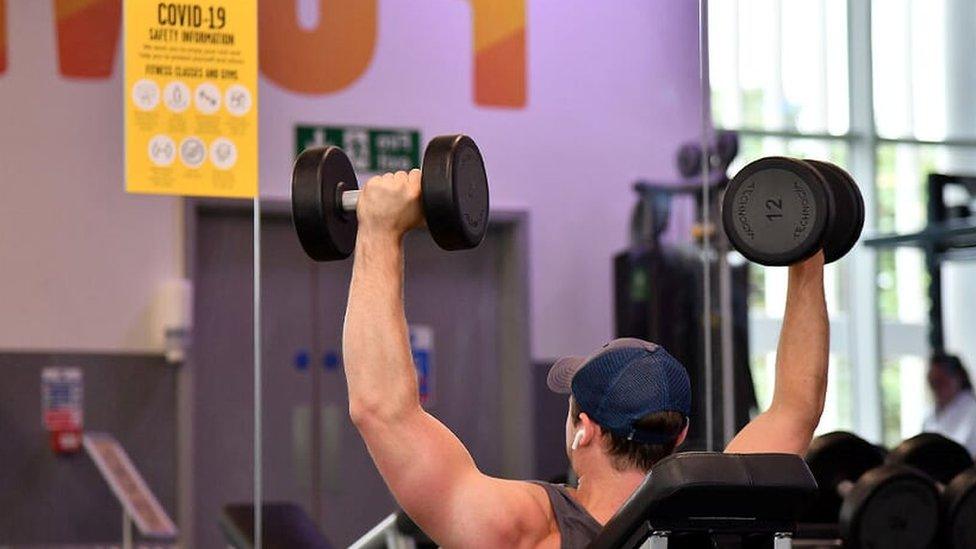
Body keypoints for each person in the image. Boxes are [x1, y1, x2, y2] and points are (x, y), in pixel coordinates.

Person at [341, 170, 830, 548]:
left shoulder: (532, 529)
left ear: (585, 429)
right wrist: (805, 250)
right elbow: (794, 407)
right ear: (679, 435)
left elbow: (382, 410)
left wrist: (380, 232)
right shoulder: (726, 517)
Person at [923, 353, 976, 456]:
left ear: (959, 378)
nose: (937, 388)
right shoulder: (930, 415)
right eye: (933, 383)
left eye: (941, 381)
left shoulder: (972, 412)